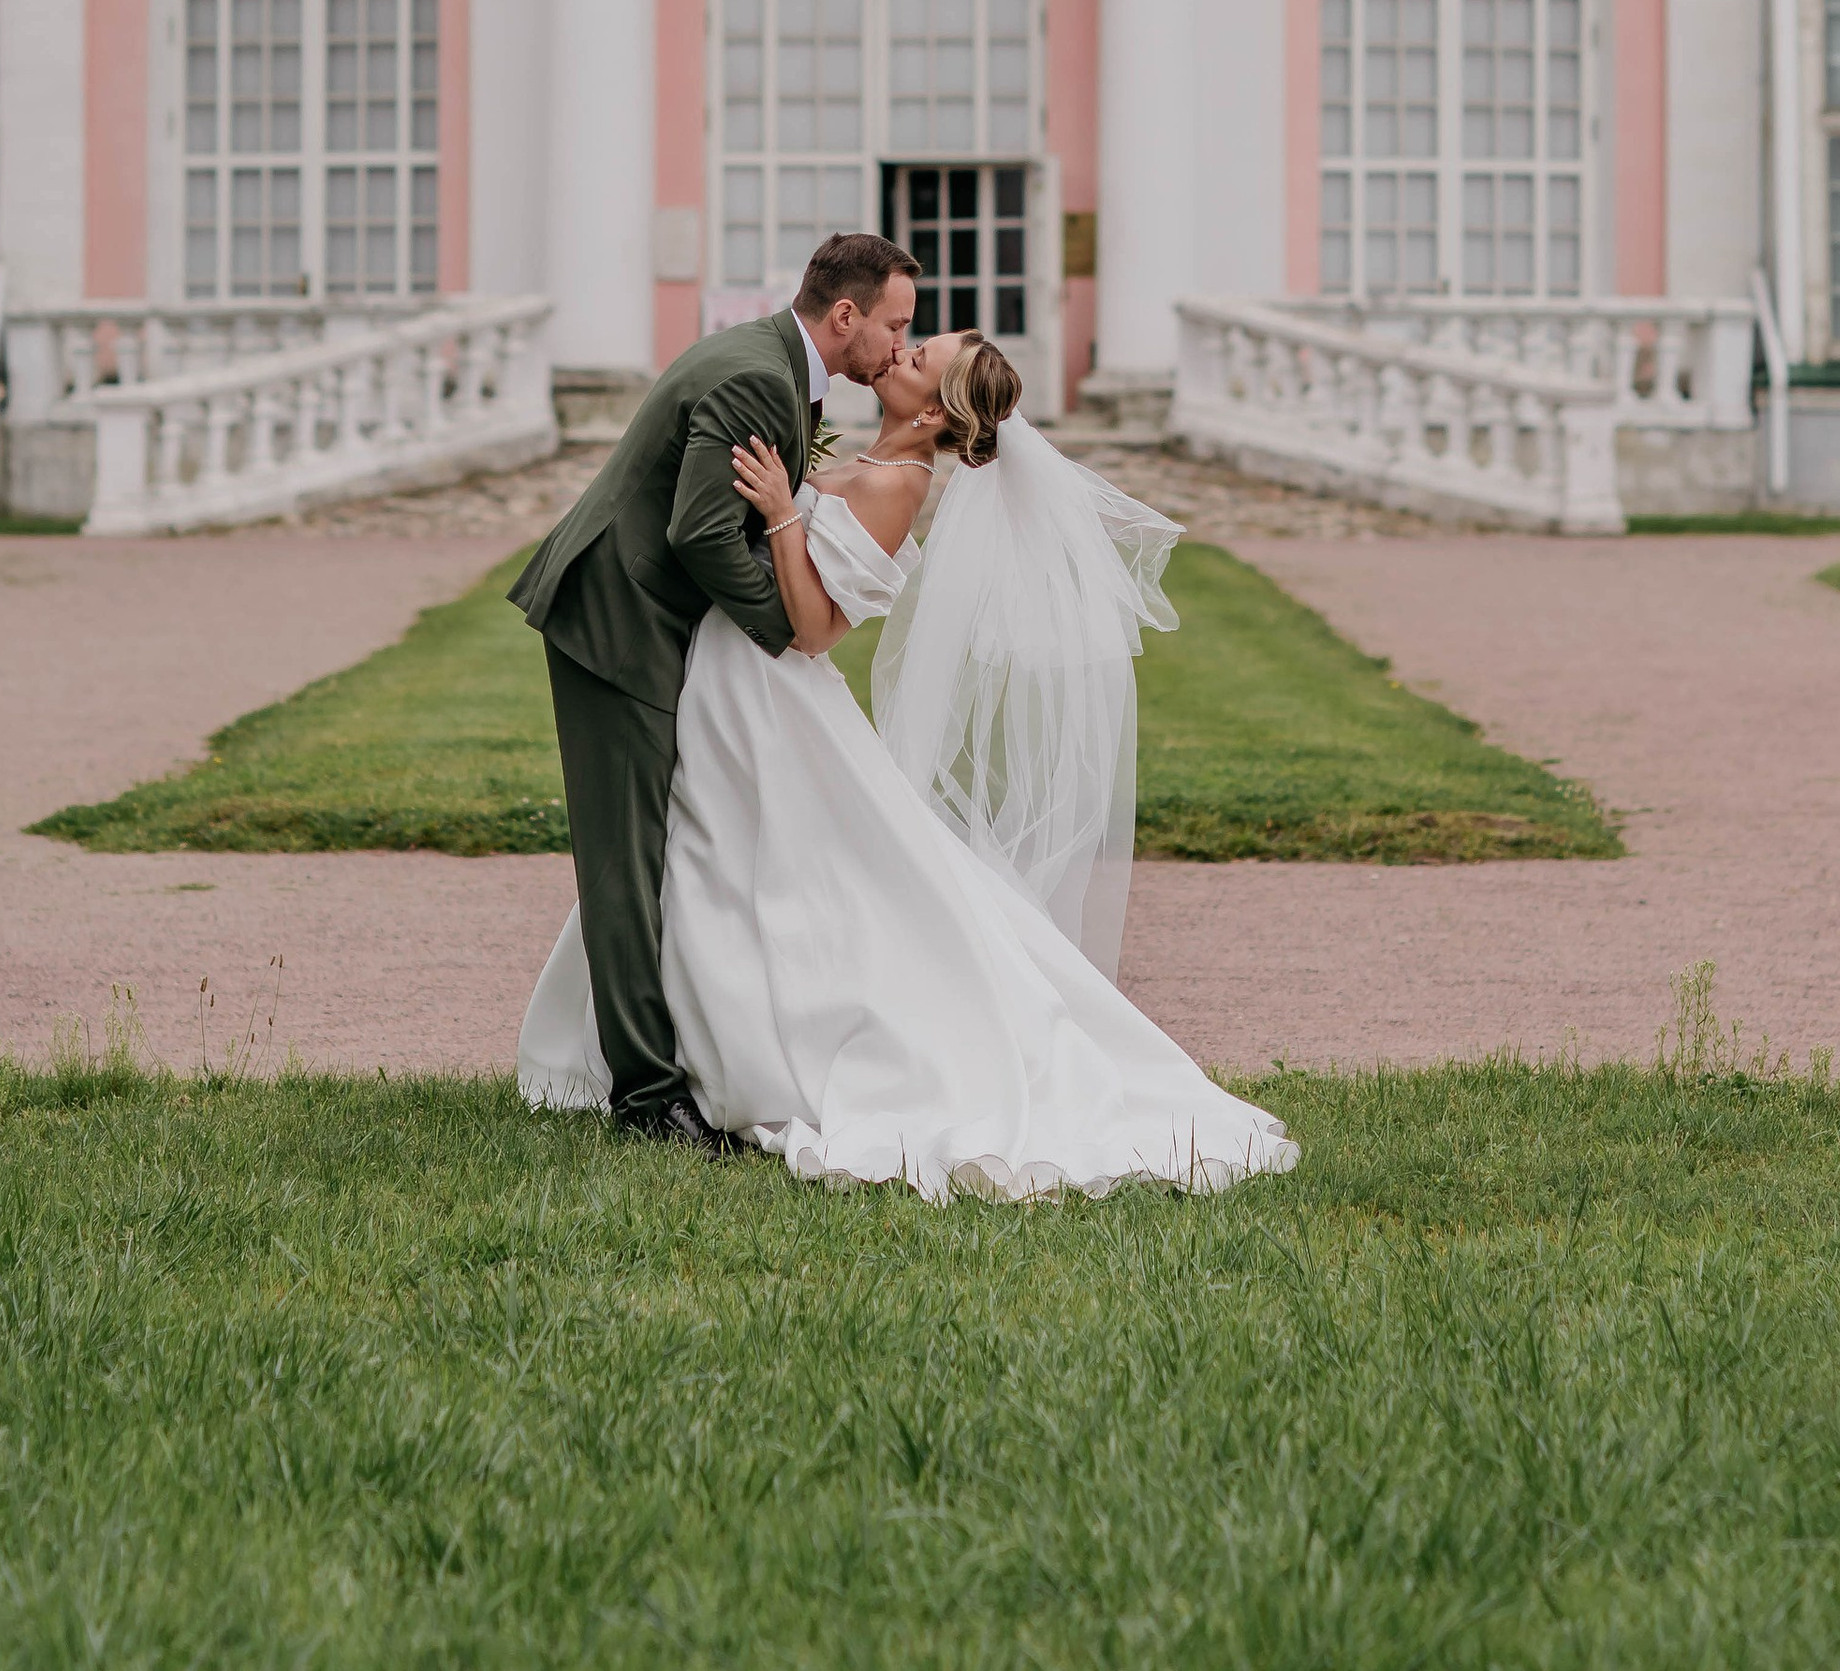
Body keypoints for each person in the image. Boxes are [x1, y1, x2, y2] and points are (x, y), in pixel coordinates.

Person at [518, 319, 1296, 1204]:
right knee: (702, 853)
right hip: (726, 677)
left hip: (768, 691)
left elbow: (814, 626)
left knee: (753, 865)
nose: (900, 350)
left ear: (933, 415)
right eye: (909, 335)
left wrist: (779, 509)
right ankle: (667, 1055)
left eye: (919, 357)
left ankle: (724, 1059)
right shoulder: (867, 456)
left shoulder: (899, 483)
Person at [508, 229, 919, 1151]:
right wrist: (784, 632)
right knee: (625, 867)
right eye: (894, 326)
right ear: (843, 314)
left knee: (652, 857)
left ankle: (660, 1073)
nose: (899, 346)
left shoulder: (771, 365)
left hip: (645, 625)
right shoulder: (758, 378)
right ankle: (647, 1100)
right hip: (618, 625)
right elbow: (700, 531)